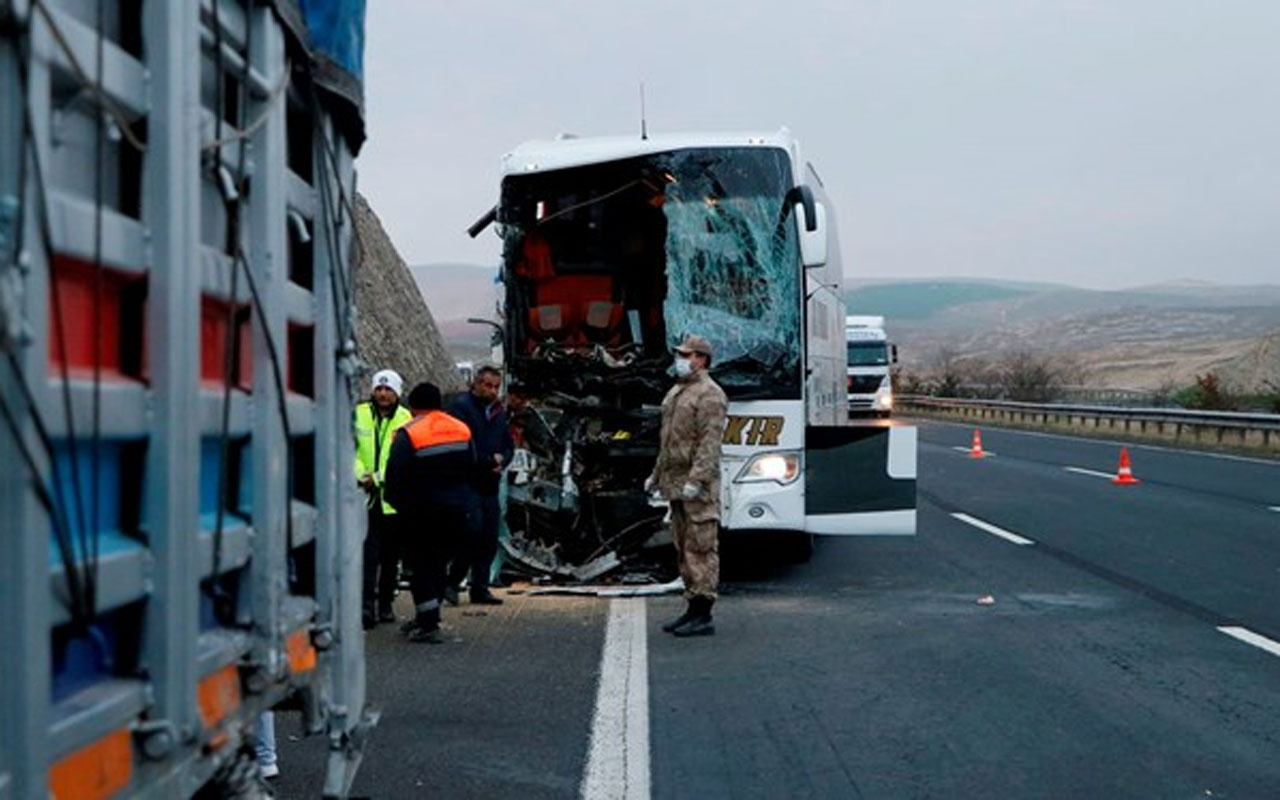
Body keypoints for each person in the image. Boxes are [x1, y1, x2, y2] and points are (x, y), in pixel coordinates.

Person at [646, 335, 727, 637]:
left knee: (701, 546)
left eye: (687, 354)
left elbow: (709, 444)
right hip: (675, 482)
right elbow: (668, 442)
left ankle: (703, 611)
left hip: (697, 486)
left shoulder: (710, 394)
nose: (681, 358)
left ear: (702, 359)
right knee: (683, 547)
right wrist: (655, 476)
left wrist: (697, 480)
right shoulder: (678, 392)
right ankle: (691, 606)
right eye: (680, 354)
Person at [383, 383, 476, 643]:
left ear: (412, 406)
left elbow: (395, 477)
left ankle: (428, 624)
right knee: (438, 563)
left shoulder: (409, 433)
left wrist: (399, 507)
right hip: (457, 510)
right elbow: (473, 466)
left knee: (418, 567)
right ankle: (429, 614)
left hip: (421, 513)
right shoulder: (461, 429)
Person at [446, 365, 514, 605]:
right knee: (470, 534)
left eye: (496, 386)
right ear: (476, 384)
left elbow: (508, 444)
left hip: (490, 484)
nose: (492, 391)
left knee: (488, 537)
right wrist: (488, 461)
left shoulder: (498, 412)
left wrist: (503, 460)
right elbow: (463, 444)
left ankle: (480, 587)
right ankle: (452, 582)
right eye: (488, 385)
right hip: (469, 482)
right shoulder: (461, 408)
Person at [354, 369, 413, 629]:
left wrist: (377, 478)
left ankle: (385, 604)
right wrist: (360, 474)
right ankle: (365, 607)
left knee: (390, 557)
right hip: (365, 498)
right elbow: (348, 448)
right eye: (379, 388)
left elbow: (400, 459)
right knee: (368, 555)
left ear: (397, 393)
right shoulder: (359, 414)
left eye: (389, 389)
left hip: (392, 498)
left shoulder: (405, 418)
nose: (383, 394)